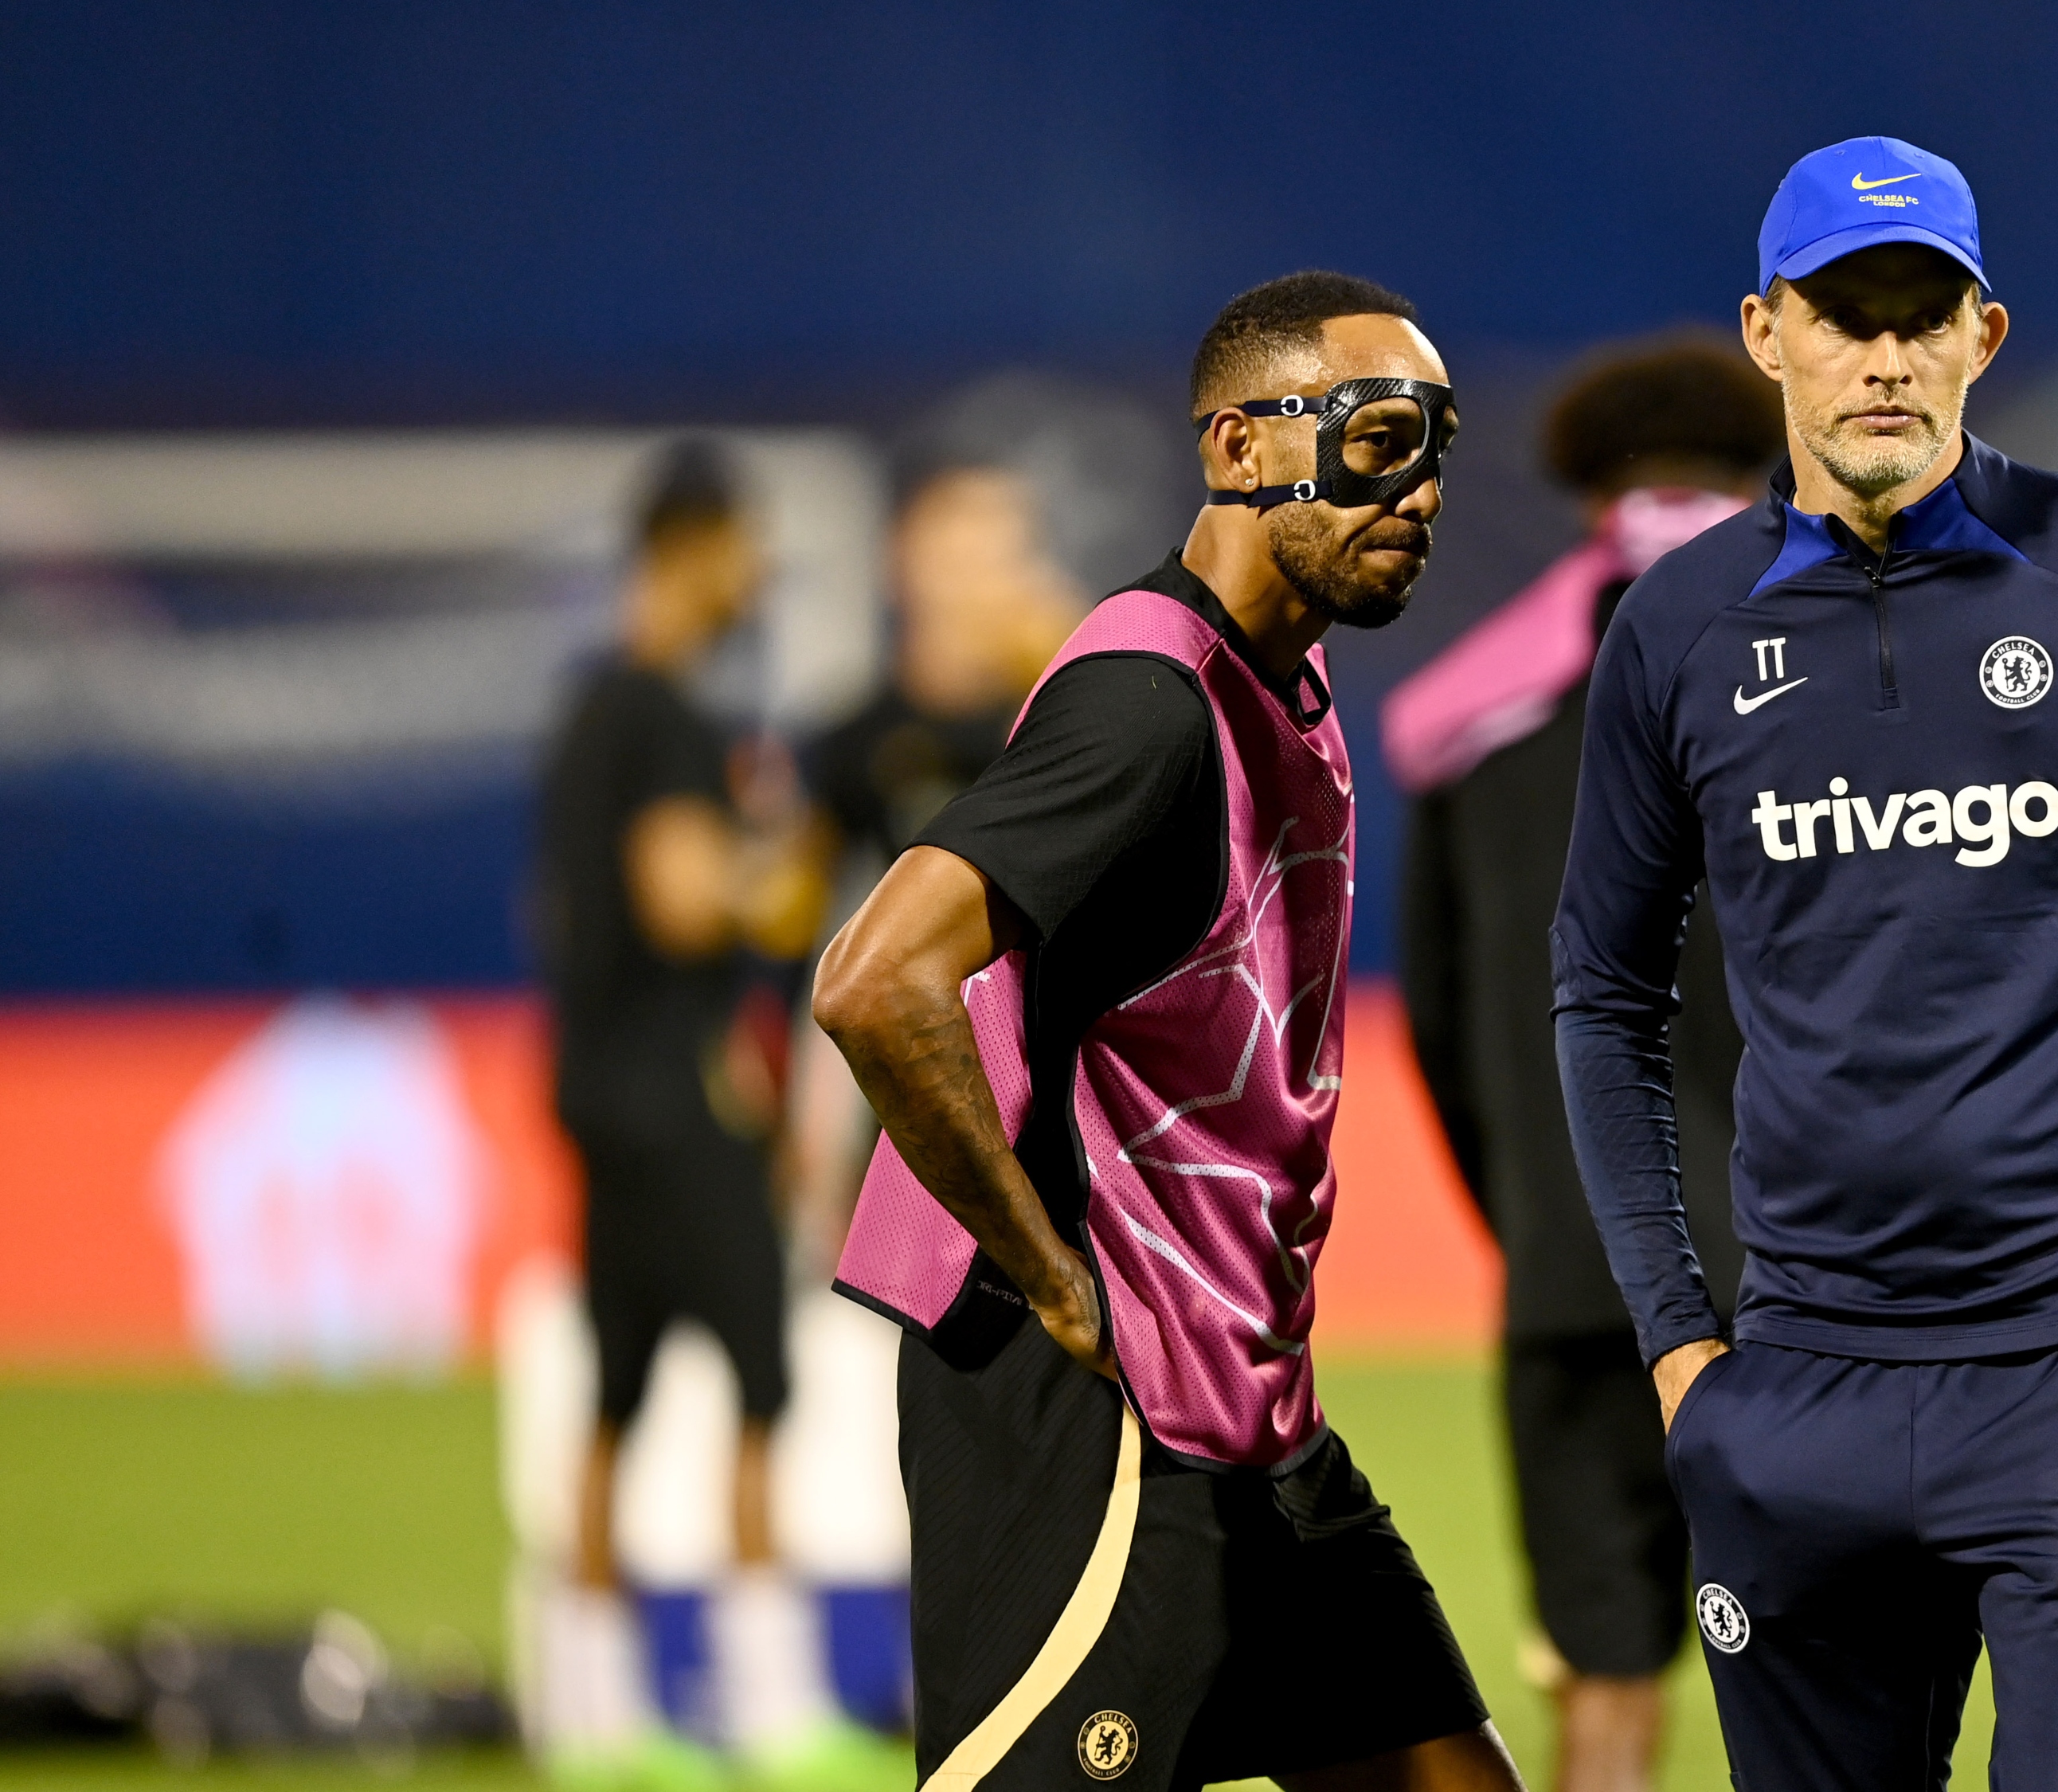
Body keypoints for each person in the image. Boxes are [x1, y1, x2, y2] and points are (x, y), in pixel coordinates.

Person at [1551, 138, 2058, 1792]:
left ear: (1983, 337)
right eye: (1844, 315)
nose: (1885, 355)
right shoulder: (1677, 630)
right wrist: (1677, 1346)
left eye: (1922, 315)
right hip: (1796, 1373)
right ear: (1763, 332)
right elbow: (1601, 993)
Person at [813, 271, 1524, 1792]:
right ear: (1242, 449)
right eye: (1380, 437)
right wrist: (1043, 1270)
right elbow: (874, 978)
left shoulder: (1291, 681)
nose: (1423, 488)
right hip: (1106, 1422)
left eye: (1438, 446)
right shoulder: (1148, 701)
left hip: (1255, 1418)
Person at [1385, 335, 1775, 1792]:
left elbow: (1437, 1028)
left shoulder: (1472, 718)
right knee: (1828, 1682)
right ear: (1757, 476)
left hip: (1571, 1273)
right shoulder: (1840, 686)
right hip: (1803, 1275)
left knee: (1601, 1688)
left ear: (1581, 496)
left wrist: (1545, 1219)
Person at [532, 439, 883, 1792]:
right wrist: (781, 870)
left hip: (593, 1085)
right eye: (741, 548)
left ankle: (595, 1715)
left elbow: (559, 912)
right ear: (688, 549)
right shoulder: (669, 719)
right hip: (682, 1099)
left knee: (616, 1393)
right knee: (757, 1384)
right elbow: (686, 897)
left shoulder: (583, 718)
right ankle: (772, 1706)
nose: (756, 578)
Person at [781, 440, 1089, 1265]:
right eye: (958, 552)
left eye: (1001, 553)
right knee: (889, 1320)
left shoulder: (1063, 721)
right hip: (903, 1076)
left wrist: (1066, 658)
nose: (977, 579)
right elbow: (806, 922)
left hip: (1047, 1075)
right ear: (904, 563)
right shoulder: (852, 742)